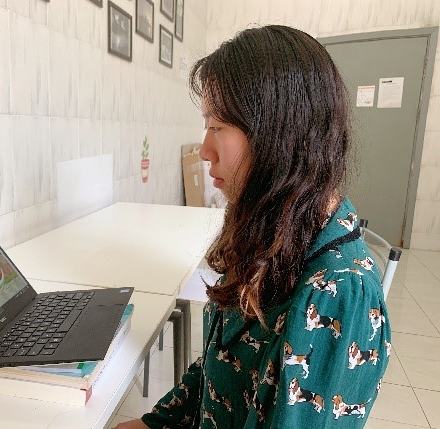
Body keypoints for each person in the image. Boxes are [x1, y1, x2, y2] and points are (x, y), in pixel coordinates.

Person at [115, 25, 390, 428]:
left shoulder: (336, 293)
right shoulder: (272, 227)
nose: (204, 150)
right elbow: (221, 362)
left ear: (278, 133)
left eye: (217, 127)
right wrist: (157, 422)